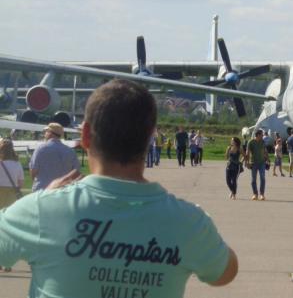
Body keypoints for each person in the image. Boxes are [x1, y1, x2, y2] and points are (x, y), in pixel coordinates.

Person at [0, 79, 238, 297]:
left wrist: (46, 199)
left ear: (85, 135)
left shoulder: (42, 210)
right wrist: (197, 230)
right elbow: (225, 272)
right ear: (150, 138)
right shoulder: (188, 222)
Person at [29, 122, 80, 191]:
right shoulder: (70, 151)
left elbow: (33, 171)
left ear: (50, 133)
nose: (44, 134)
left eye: (46, 132)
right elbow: (76, 172)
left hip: (42, 190)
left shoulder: (40, 149)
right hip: (63, 191)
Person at [0, 138, 23, 273]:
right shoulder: (17, 164)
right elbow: (20, 183)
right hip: (12, 195)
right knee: (8, 230)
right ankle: (7, 262)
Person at [246, 130, 270, 201]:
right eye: (261, 135)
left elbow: (265, 151)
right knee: (253, 179)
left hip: (262, 163)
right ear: (258, 135)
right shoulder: (251, 142)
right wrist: (247, 162)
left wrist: (268, 160)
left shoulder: (263, 142)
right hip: (253, 163)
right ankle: (255, 194)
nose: (263, 136)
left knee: (262, 178)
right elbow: (248, 152)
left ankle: (262, 194)